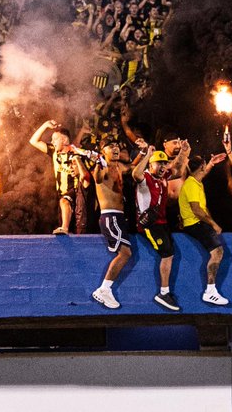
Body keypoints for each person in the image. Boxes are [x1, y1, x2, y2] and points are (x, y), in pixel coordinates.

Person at [86, 140, 136, 309]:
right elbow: (98, 179)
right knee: (125, 253)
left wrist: (146, 152)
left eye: (117, 146)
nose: (115, 148)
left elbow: (132, 167)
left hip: (119, 217)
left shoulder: (120, 167)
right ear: (103, 151)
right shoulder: (102, 167)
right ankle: (104, 289)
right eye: (110, 147)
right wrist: (99, 162)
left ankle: (105, 288)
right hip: (110, 216)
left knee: (126, 253)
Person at [177, 151, 230, 306]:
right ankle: (210, 291)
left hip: (194, 223)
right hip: (195, 224)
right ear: (201, 167)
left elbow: (202, 174)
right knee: (217, 252)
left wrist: (211, 164)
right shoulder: (192, 184)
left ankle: (211, 290)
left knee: (217, 252)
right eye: (205, 165)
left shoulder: (194, 181)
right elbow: (197, 210)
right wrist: (213, 224)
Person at [133, 146, 180, 310]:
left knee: (171, 252)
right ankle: (163, 293)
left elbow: (177, 167)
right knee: (166, 253)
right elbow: (135, 174)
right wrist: (147, 155)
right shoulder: (146, 176)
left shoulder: (163, 176)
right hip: (150, 224)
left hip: (162, 222)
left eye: (164, 164)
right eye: (158, 164)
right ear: (150, 165)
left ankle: (165, 292)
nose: (162, 167)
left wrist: (184, 152)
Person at [29, 118, 87, 234]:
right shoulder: (54, 152)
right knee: (63, 214)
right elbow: (33, 141)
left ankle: (65, 228)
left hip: (75, 193)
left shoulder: (75, 153)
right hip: (61, 193)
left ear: (64, 140)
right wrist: (45, 125)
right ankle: (66, 230)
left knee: (65, 203)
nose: (52, 141)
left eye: (55, 139)